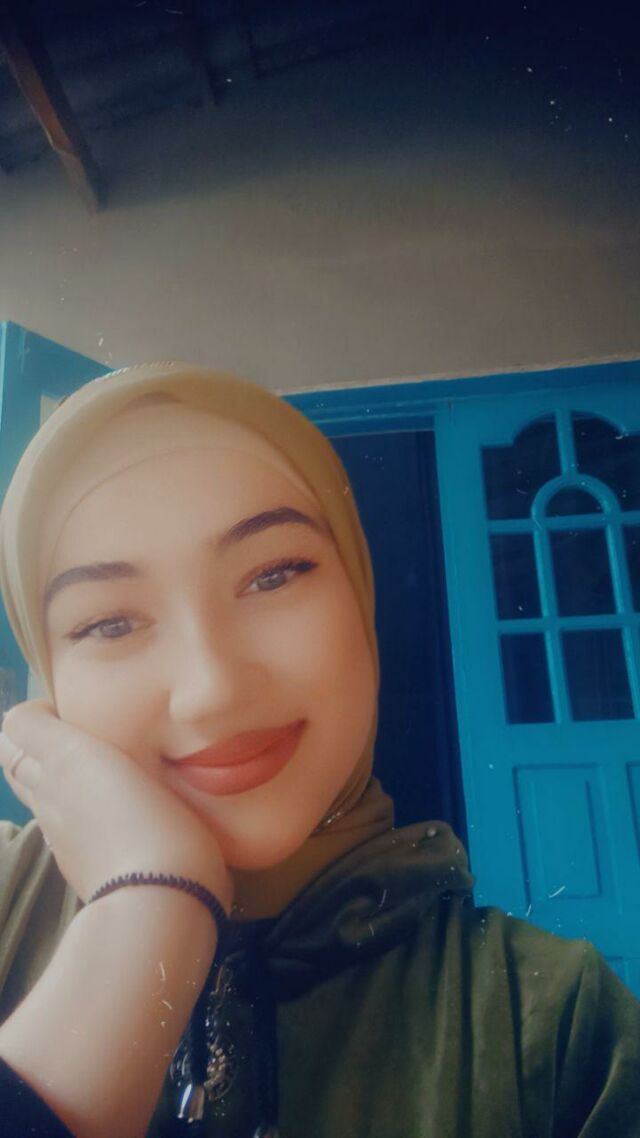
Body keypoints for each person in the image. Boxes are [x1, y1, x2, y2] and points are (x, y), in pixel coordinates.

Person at [0, 361, 637, 1138]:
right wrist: (147, 906)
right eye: (109, 623)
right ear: (48, 678)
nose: (212, 690)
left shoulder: (563, 1033)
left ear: (360, 597)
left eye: (273, 575)